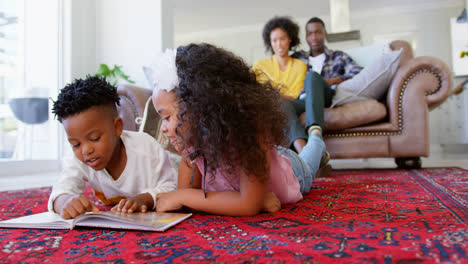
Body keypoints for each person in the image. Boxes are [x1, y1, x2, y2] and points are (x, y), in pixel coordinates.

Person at [147, 44, 326, 216]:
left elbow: (246, 205)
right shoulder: (193, 142)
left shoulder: (249, 130)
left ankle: (316, 138)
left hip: (292, 172)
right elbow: (188, 199)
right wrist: (255, 200)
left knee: (309, 162)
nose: (162, 129)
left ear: (197, 106)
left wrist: (181, 196)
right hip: (266, 161)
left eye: (166, 117)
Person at [48, 75, 177, 219]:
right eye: (75, 144)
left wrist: (146, 198)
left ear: (117, 127)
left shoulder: (147, 151)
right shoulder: (78, 157)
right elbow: (61, 189)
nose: (86, 150)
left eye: (95, 138)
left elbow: (173, 187)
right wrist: (65, 200)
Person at [252, 16, 309, 153]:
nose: (279, 44)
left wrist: (274, 93)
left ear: (290, 39)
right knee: (278, 102)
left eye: (282, 39)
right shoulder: (260, 65)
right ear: (270, 43)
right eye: (274, 40)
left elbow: (294, 95)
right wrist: (276, 95)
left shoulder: (300, 65)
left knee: (280, 102)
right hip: (270, 106)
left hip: (295, 105)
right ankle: (304, 152)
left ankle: (303, 152)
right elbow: (255, 92)